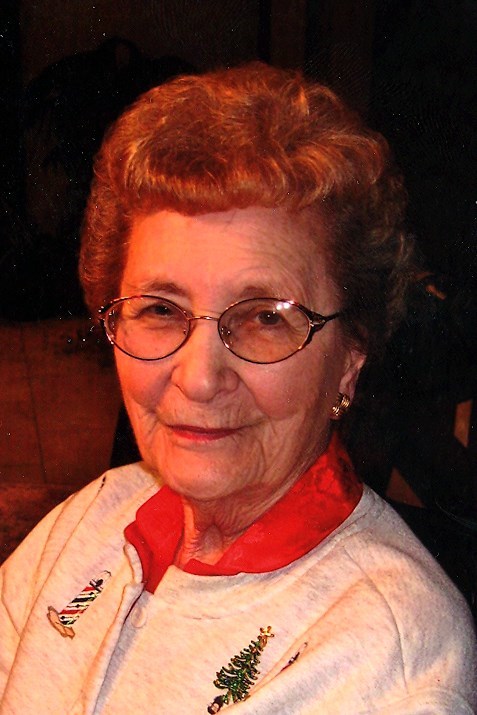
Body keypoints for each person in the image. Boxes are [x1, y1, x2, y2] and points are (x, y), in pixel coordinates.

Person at [0, 63, 475, 714]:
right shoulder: (96, 515)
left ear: (349, 358)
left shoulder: (391, 666)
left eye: (264, 319)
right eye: (159, 308)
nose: (198, 378)